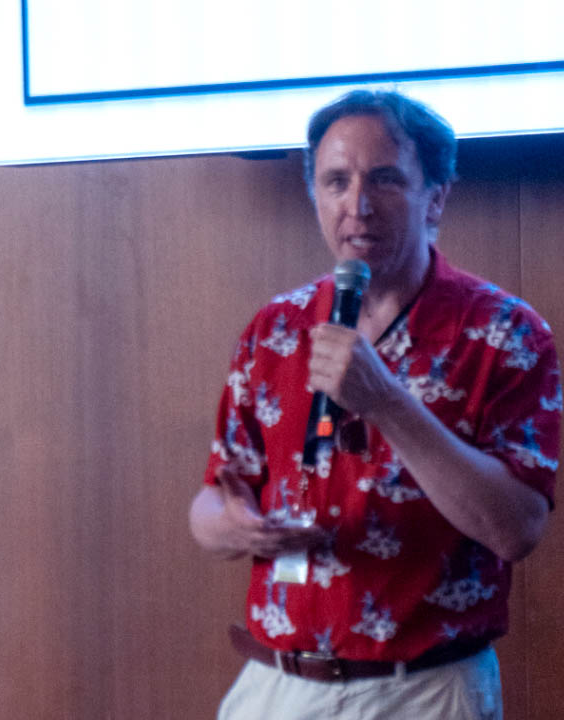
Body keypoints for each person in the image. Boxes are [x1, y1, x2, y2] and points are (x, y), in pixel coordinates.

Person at [189, 90, 560, 719]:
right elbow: (210, 501)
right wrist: (233, 527)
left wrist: (387, 402)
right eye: (336, 181)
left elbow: (516, 529)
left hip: (424, 689)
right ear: (315, 195)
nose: (357, 206)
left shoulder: (505, 333)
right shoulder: (275, 328)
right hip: (277, 683)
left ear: (435, 197)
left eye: (385, 180)